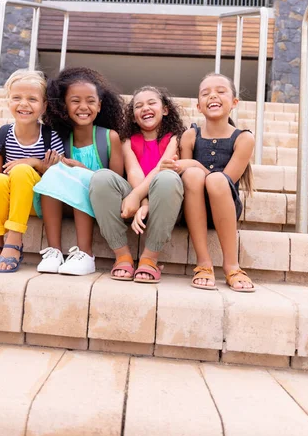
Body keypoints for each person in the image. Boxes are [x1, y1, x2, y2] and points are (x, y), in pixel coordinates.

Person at [165, 73, 255, 292]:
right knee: (192, 176)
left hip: (224, 206)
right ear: (198, 106)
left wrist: (194, 164)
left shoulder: (243, 138)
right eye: (205, 93)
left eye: (221, 91)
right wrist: (190, 166)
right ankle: (204, 263)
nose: (212, 96)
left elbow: (226, 182)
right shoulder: (190, 135)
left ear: (234, 102)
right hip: (193, 209)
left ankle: (232, 265)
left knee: (214, 179)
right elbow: (186, 174)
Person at [34, 67, 124, 276]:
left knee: (79, 176)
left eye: (90, 101)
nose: (83, 107)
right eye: (75, 101)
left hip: (101, 204)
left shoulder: (109, 138)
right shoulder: (59, 139)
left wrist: (85, 172)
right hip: (64, 204)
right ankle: (54, 251)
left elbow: (116, 181)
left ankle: (86, 254)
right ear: (64, 106)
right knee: (53, 175)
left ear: (100, 106)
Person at [90, 85, 185, 283]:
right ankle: (122, 255)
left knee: (167, 178)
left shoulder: (174, 137)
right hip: (137, 194)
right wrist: (142, 202)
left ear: (165, 109)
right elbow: (133, 171)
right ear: (133, 116)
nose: (145, 108)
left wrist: (138, 198)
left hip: (164, 200)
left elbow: (162, 168)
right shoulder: (127, 141)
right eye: (138, 106)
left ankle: (149, 258)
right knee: (101, 178)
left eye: (152, 103)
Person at [0, 69, 64, 273]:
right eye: (17, 97)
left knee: (22, 171)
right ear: (8, 102)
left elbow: (58, 178)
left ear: (44, 106)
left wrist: (35, 163)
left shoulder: (51, 138)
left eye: (32, 99)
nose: (24, 104)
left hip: (36, 202)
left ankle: (14, 242)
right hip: (10, 201)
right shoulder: (2, 135)